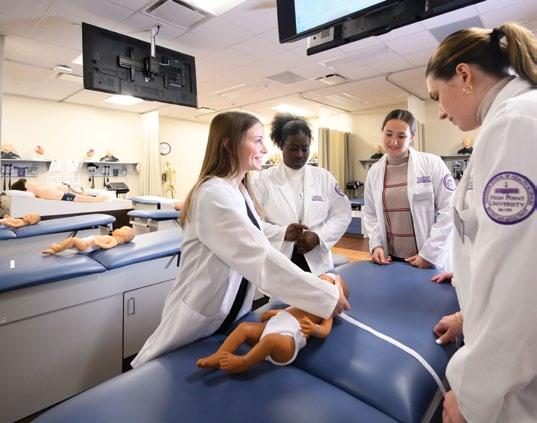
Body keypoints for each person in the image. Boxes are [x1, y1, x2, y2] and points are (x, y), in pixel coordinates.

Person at [131, 111, 349, 368]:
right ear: (229, 144)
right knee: (165, 370)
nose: (265, 149)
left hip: (229, 314)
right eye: (257, 141)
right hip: (200, 317)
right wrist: (326, 296)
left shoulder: (239, 190)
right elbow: (258, 257)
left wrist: (288, 235)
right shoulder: (214, 194)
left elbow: (253, 237)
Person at [425, 22, 537, 423]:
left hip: (515, 386)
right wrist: (467, 313)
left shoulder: (516, 124)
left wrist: (473, 395)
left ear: (464, 76)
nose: (440, 111)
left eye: (436, 96)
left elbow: (520, 281)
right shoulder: (516, 118)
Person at [254, 114, 352, 275]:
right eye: (293, 148)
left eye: (304, 149)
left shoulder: (324, 178)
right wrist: (282, 233)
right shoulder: (261, 180)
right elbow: (251, 223)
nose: (299, 154)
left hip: (316, 257)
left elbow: (342, 214)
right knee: (282, 291)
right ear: (281, 145)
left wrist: (318, 236)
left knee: (319, 289)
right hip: (278, 257)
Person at [197, 273, 349, 373]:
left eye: (326, 284)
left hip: (287, 341)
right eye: (319, 281)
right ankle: (218, 355)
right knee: (244, 328)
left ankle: (243, 363)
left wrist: (314, 329)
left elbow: (325, 330)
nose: (319, 285)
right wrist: (275, 313)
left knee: (270, 341)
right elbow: (289, 312)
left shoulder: (327, 311)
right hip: (271, 328)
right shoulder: (304, 301)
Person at [363, 109, 455, 270]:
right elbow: (370, 213)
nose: (393, 142)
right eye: (388, 134)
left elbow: (450, 210)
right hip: (391, 259)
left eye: (401, 136)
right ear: (382, 133)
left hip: (427, 258)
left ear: (412, 137)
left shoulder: (432, 164)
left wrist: (429, 254)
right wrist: (377, 244)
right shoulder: (374, 172)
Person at [41, 226, 135, 255]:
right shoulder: (112, 237)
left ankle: (58, 248)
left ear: (123, 239)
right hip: (86, 243)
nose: (119, 228)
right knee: (70, 242)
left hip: (86, 246)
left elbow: (107, 246)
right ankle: (54, 250)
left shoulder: (115, 241)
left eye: (122, 229)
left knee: (72, 240)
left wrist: (98, 243)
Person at [10, 178, 109, 202]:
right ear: (26, 188)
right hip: (90, 196)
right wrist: (97, 199)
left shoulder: (44, 189)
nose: (33, 181)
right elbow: (74, 198)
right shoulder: (43, 192)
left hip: (88, 193)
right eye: (29, 181)